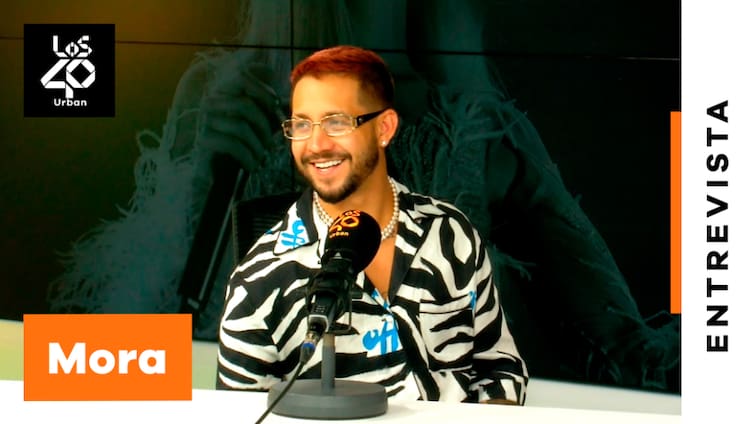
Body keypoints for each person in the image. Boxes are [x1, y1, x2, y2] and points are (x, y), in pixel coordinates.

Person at [48, 0, 678, 392]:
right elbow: (125, 356)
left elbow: (629, 353)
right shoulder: (226, 100)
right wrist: (192, 195)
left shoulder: (470, 128)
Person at [215, 45, 528, 404]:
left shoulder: (451, 234)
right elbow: (239, 414)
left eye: (336, 122)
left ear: (384, 128)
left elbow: (500, 371)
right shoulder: (257, 280)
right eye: (301, 124)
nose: (316, 144)